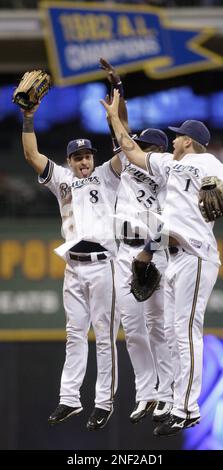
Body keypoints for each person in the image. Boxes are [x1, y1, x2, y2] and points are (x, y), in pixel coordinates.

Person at [100, 90, 223, 435]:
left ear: (188, 141)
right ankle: (177, 402)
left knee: (186, 332)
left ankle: (188, 409)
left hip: (196, 254)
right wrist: (115, 118)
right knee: (174, 334)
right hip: (171, 257)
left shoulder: (210, 164)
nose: (172, 140)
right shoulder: (168, 165)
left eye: (177, 137)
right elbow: (131, 150)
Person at [21, 102, 121, 431]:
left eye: (87, 156)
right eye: (78, 157)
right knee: (74, 335)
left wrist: (115, 117)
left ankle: (104, 402)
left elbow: (126, 151)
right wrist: (29, 118)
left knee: (104, 338)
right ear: (69, 161)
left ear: (93, 158)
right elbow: (32, 156)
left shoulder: (106, 175)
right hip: (74, 268)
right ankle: (70, 399)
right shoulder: (60, 178)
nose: (84, 162)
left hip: (103, 264)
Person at [101, 59, 173, 424]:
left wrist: (149, 253)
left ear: (158, 151)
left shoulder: (165, 178)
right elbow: (122, 127)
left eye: (144, 145)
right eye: (137, 143)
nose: (136, 147)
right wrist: (118, 88)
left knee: (159, 326)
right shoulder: (128, 165)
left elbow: (168, 223)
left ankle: (166, 393)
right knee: (132, 331)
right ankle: (146, 393)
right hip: (124, 252)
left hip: (153, 252)